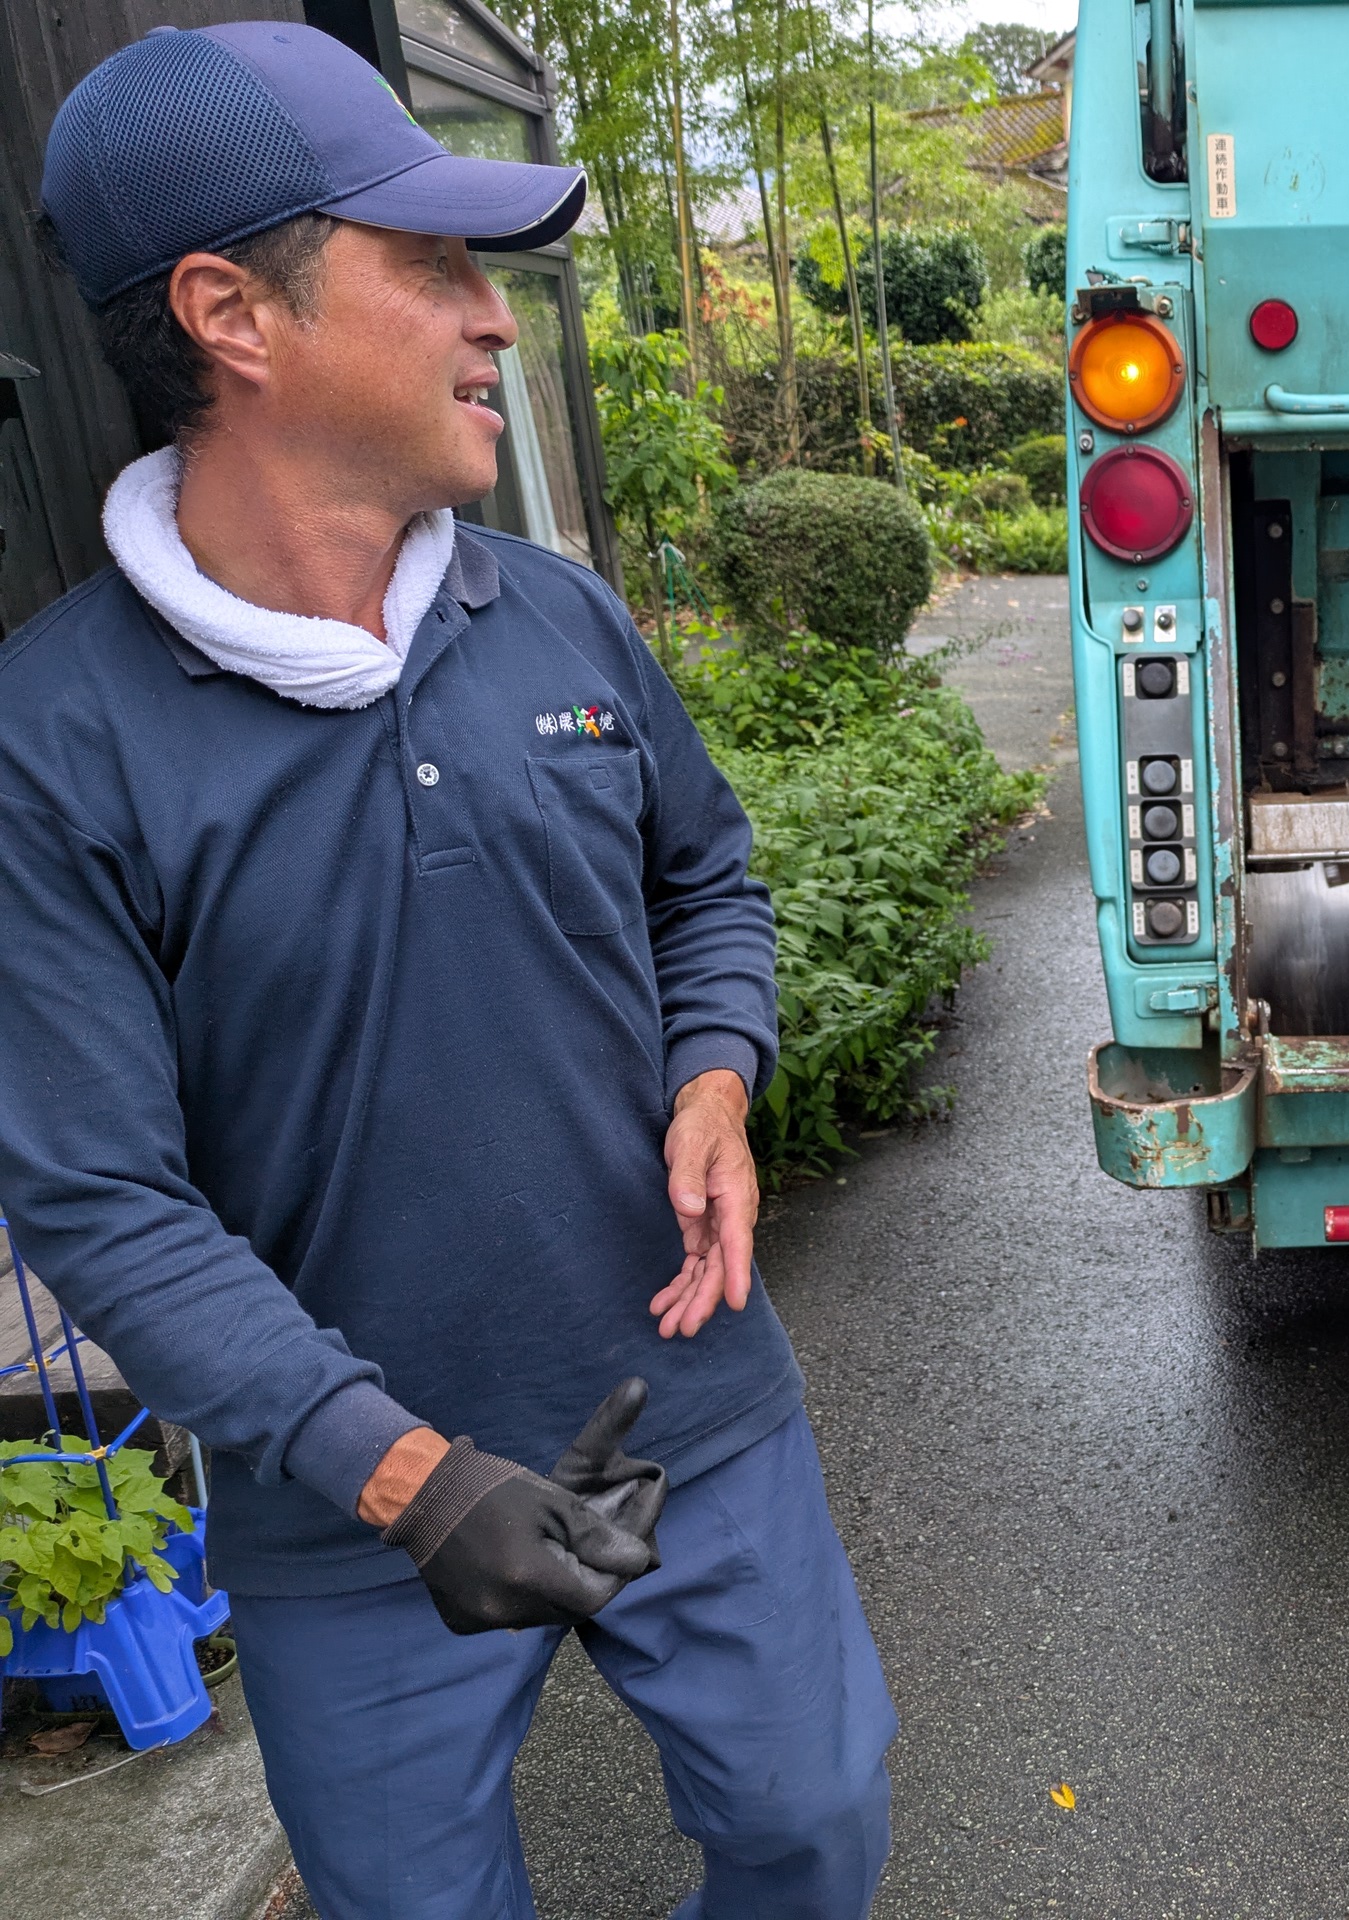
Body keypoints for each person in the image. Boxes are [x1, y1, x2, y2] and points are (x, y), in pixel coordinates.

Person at [0, 23, 892, 1917]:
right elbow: (99, 1197)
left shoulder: (555, 618)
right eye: (431, 266)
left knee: (813, 1831)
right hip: (345, 1512)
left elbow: (707, 881)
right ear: (230, 313)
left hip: (692, 1407)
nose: (496, 319)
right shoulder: (51, 745)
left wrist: (716, 1076)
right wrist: (401, 1474)